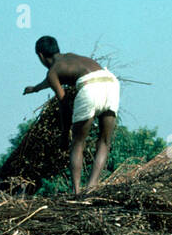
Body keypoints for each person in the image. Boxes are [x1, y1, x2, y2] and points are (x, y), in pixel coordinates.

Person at [22, 36, 119, 193]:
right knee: (104, 141)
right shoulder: (71, 58)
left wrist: (64, 135)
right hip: (110, 82)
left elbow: (64, 103)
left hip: (90, 88)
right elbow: (52, 80)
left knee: (78, 142)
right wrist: (35, 88)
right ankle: (92, 187)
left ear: (40, 56)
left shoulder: (52, 72)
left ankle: (77, 192)